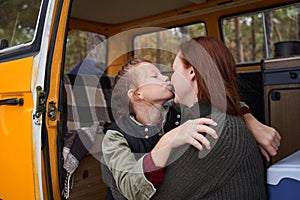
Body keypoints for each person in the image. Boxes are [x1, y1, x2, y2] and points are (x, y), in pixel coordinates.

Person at [150, 36, 268, 199]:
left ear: (191, 71)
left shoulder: (213, 130)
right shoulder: (213, 119)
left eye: (174, 71)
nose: (171, 79)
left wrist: (163, 145)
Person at [101, 57, 218, 200]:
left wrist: (246, 114)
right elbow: (132, 188)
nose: (166, 78)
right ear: (137, 94)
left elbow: (219, 103)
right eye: (154, 76)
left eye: (162, 73)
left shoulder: (179, 112)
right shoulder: (115, 136)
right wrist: (167, 142)